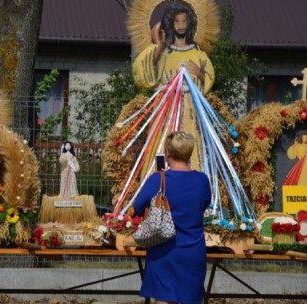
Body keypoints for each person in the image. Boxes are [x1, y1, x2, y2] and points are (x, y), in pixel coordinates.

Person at [133, 1, 215, 173]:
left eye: (185, 21)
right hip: (167, 109)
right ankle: (159, 182)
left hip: (191, 111)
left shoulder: (198, 54)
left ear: (190, 24)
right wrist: (158, 44)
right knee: (163, 144)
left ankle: (192, 177)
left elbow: (208, 77)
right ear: (171, 24)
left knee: (190, 144)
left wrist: (198, 72)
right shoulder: (165, 53)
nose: (181, 25)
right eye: (177, 21)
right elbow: (144, 70)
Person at [133, 131, 211, 304]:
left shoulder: (157, 180)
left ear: (167, 153)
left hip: (163, 252)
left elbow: (138, 208)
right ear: (189, 153)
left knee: (164, 300)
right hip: (192, 252)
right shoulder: (202, 180)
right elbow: (204, 205)